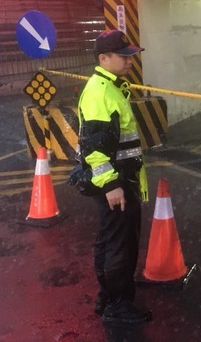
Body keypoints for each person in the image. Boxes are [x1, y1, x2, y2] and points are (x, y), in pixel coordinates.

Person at [77, 29, 151, 325]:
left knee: (109, 241)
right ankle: (118, 304)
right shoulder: (100, 92)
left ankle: (109, 295)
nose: (129, 61)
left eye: (130, 55)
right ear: (103, 58)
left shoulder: (110, 87)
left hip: (119, 180)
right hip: (117, 183)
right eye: (124, 56)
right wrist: (111, 185)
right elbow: (94, 147)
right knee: (121, 244)